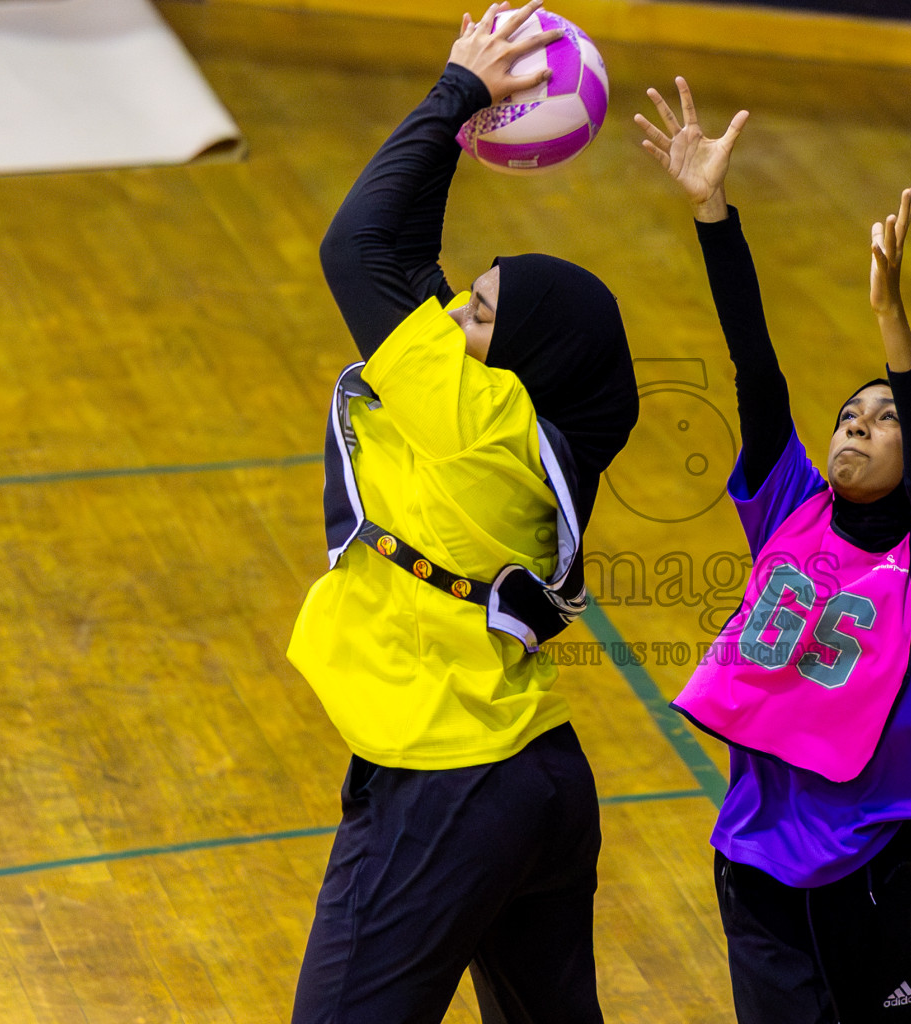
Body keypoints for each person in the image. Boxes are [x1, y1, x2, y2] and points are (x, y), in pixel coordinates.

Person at [286, 5, 638, 1021]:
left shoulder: (478, 420)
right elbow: (406, 260)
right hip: (538, 778)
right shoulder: (529, 431)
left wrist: (459, 93)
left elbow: (357, 248)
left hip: (445, 790)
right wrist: (454, 126)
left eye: (478, 311)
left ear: (521, 358)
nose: (448, 310)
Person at [635, 78, 911, 1023]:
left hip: (877, 872)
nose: (858, 423)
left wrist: (890, 318)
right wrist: (712, 212)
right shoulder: (788, 505)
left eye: (884, 416)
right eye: (849, 413)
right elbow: (756, 366)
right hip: (754, 863)